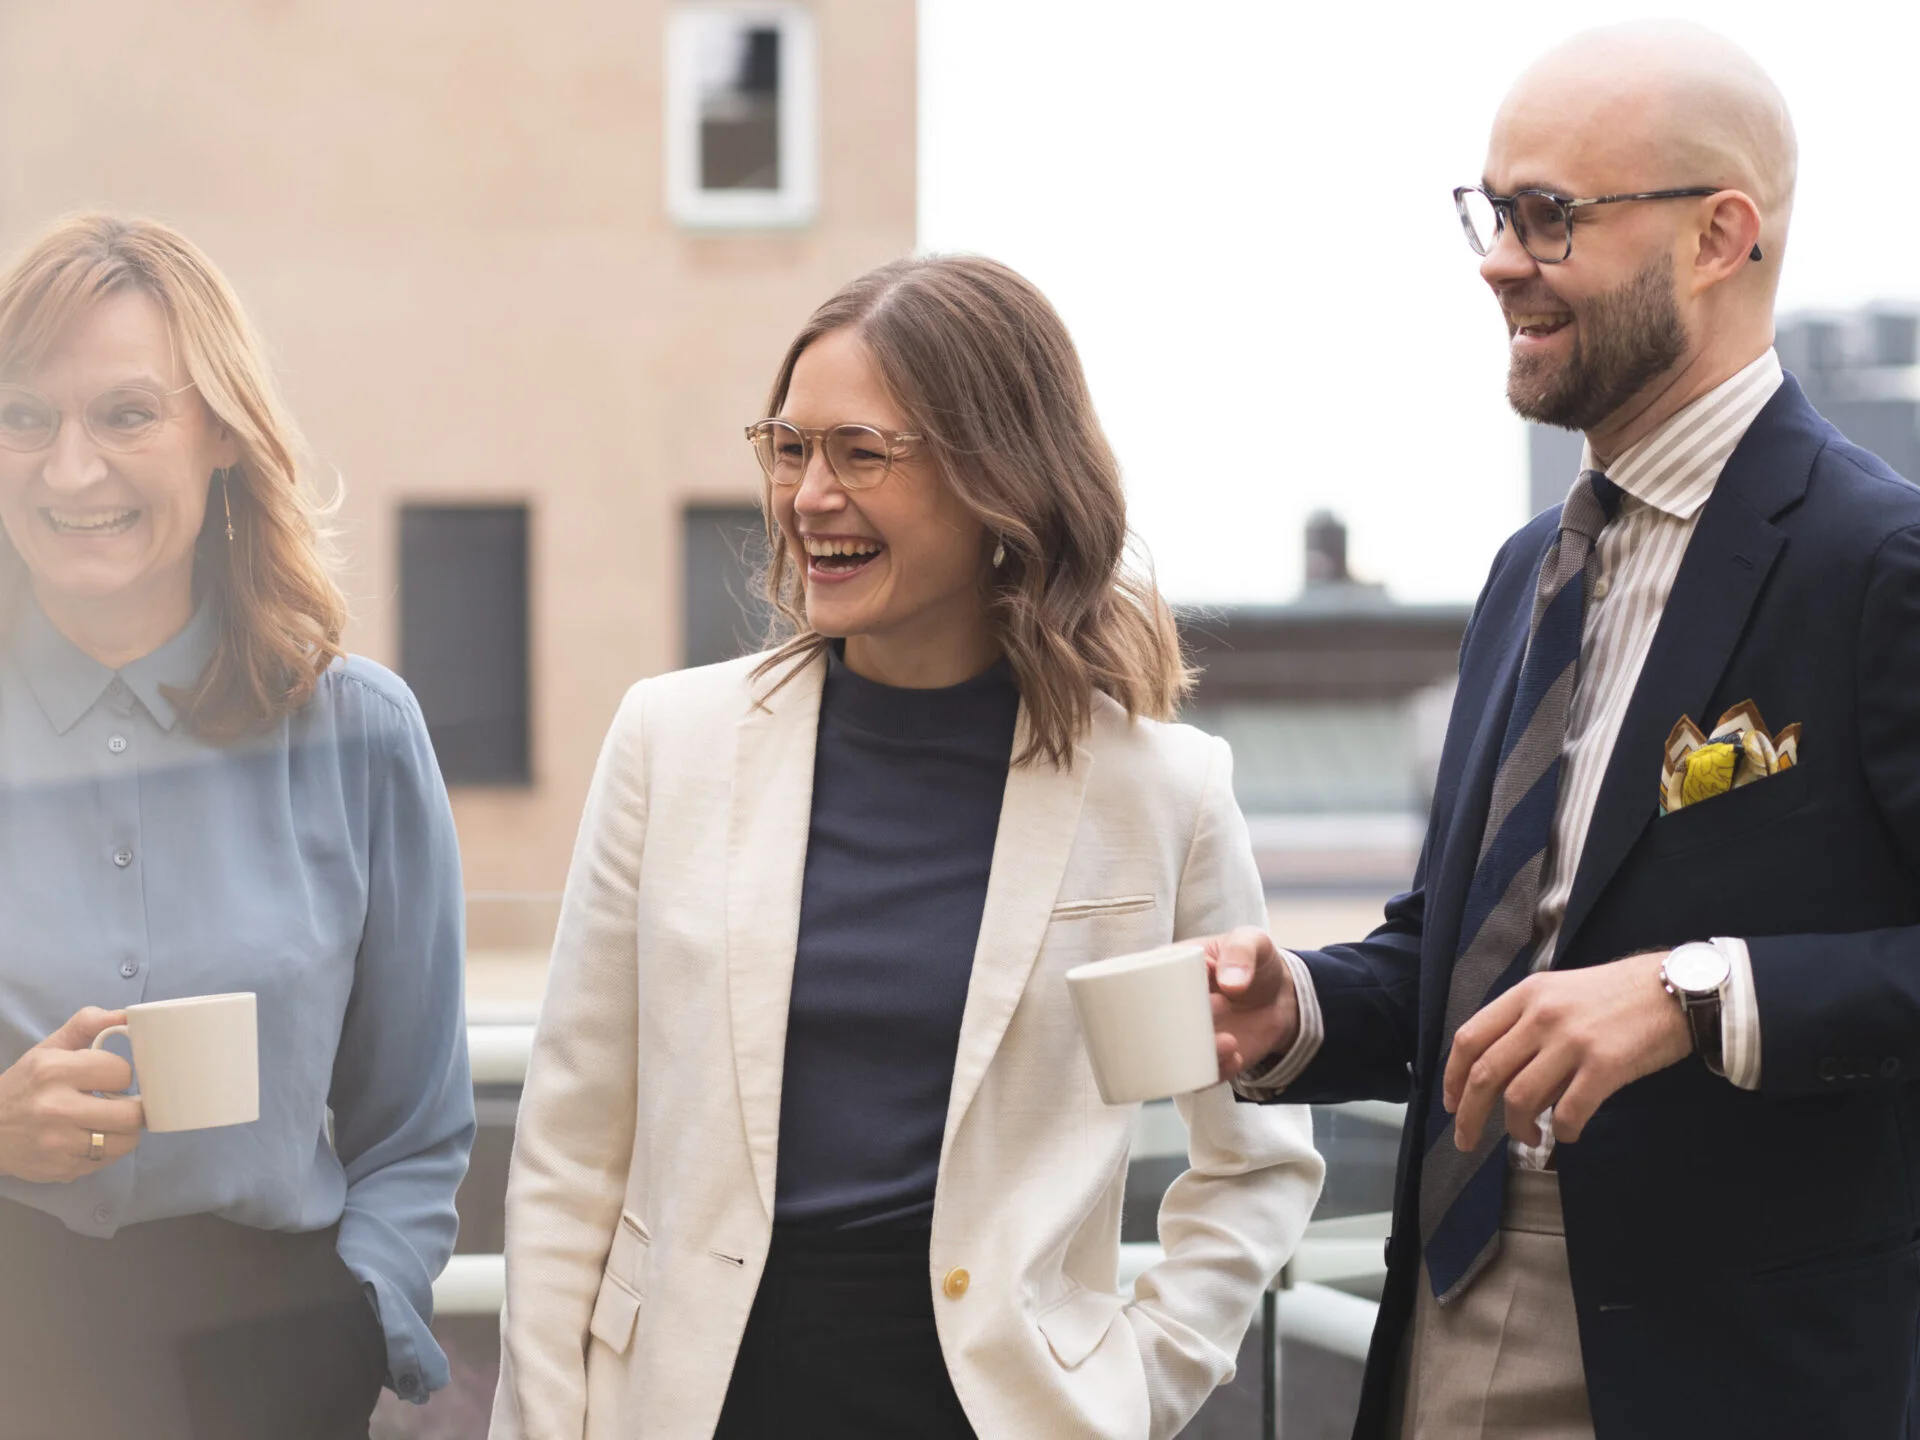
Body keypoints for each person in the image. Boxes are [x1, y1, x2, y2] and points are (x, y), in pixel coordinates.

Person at [1208, 21, 1920, 1440]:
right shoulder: (1527, 569)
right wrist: (1295, 1008)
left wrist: (1695, 997)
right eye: (1490, 209)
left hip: (1736, 1373)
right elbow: (1464, 957)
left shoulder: (1879, 565)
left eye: (1550, 216)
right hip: (1442, 1311)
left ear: (1720, 237)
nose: (1496, 258)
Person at [492, 255, 1323, 1439]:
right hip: (694, 1402)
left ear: (999, 480)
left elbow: (1254, 1161)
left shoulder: (1162, 793)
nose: (806, 497)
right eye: (789, 448)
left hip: (999, 1413)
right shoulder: (668, 743)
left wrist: (1135, 1384)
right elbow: (570, 1150)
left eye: (860, 454)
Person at [0, 214, 474, 1439]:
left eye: (125, 415)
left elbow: (415, 1122)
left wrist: (363, 1318)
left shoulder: (361, 734)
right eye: (27, 418)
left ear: (218, 430)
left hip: (274, 1366)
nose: (69, 471)